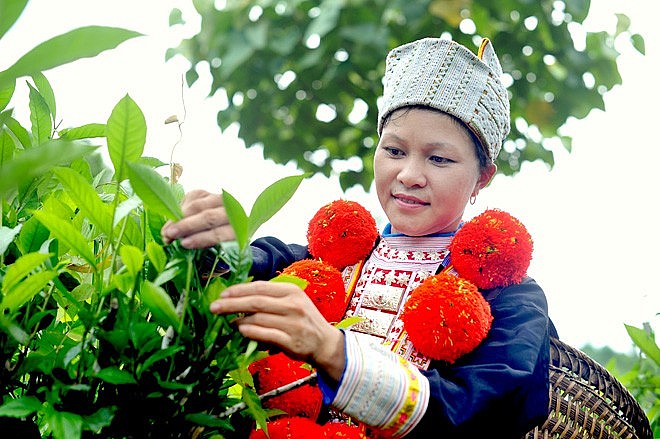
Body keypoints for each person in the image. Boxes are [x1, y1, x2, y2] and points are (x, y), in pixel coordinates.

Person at [161, 36, 557, 438]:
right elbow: (226, 280)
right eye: (395, 151)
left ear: (482, 178)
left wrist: (335, 353)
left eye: (439, 158)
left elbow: (491, 412)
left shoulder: (511, 300)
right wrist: (214, 241)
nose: (409, 175)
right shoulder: (321, 261)